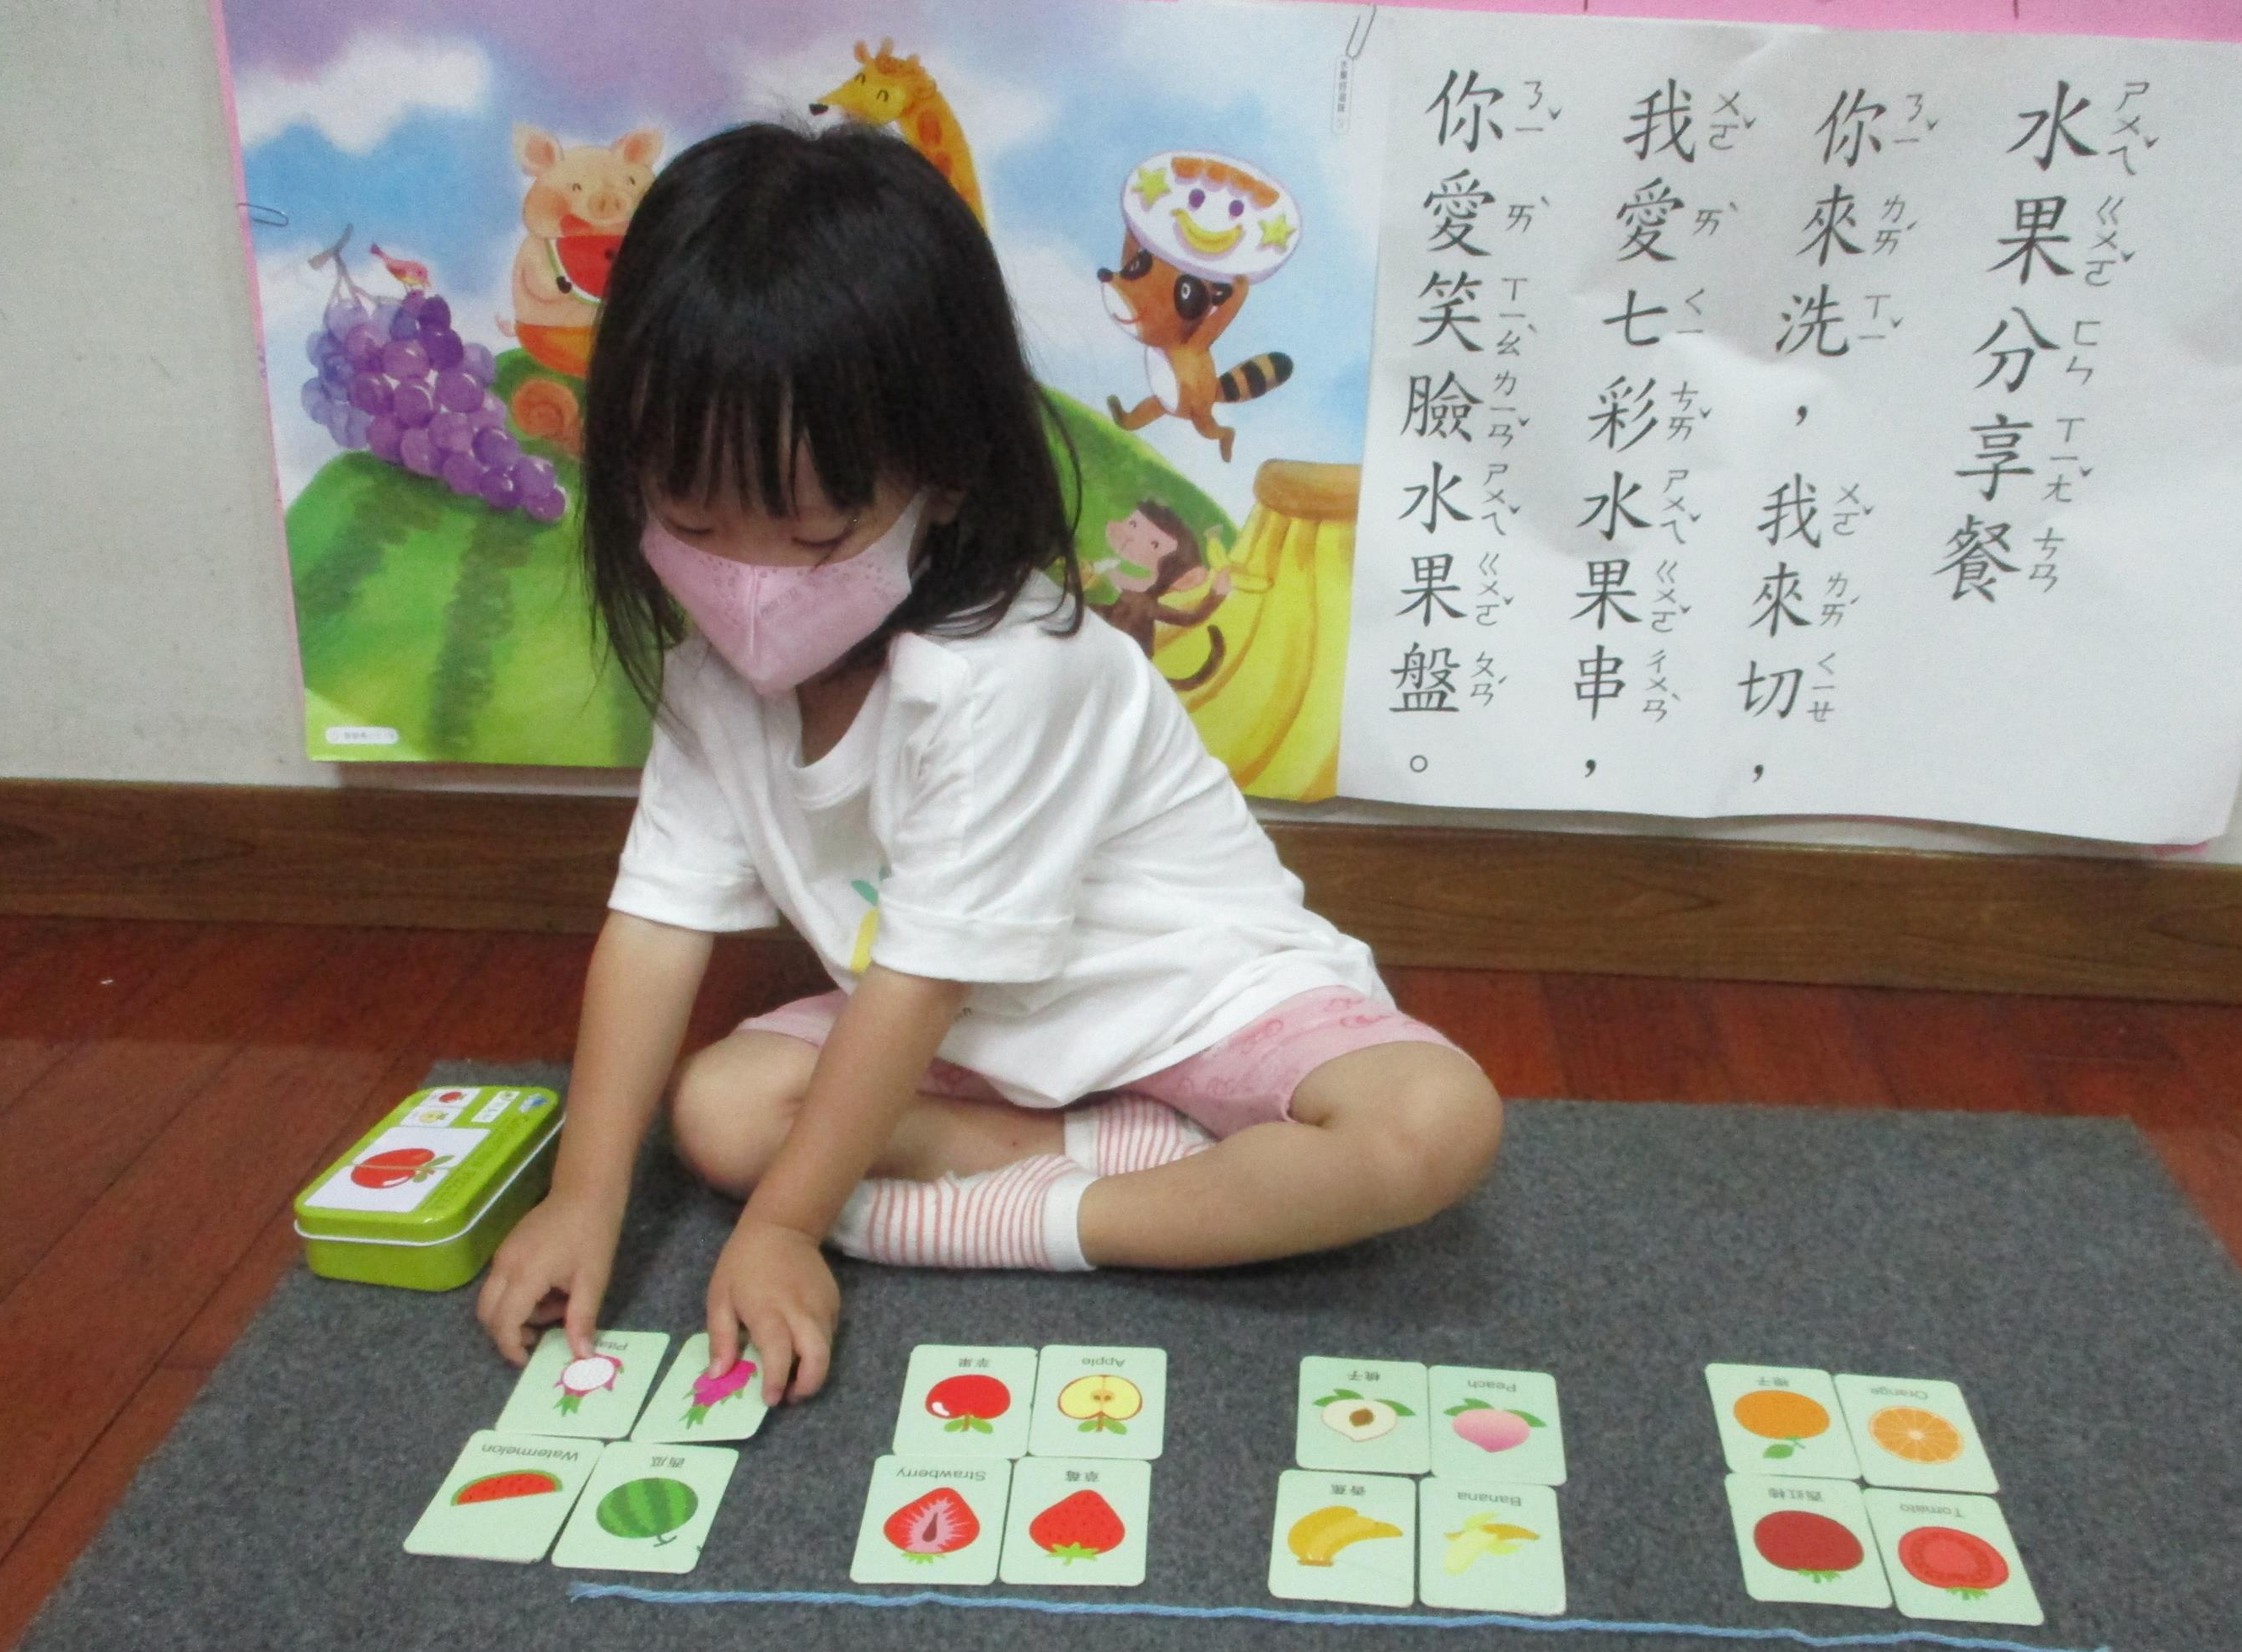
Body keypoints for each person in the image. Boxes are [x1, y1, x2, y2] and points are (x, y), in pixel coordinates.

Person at [474, 121, 1503, 1406]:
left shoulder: (1002, 670)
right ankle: (1079, 1143)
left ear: (947, 474)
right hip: (973, 1042)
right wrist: (585, 1196)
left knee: (1434, 1122)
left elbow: (921, 981)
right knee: (717, 1111)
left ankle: (1052, 1212)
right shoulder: (709, 673)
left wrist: (787, 1226)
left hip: (1192, 1001)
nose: (746, 580)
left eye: (809, 532)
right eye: (689, 519)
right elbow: (655, 924)